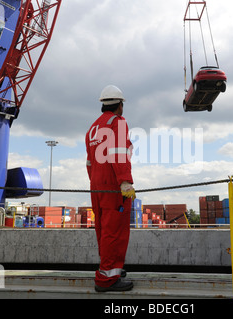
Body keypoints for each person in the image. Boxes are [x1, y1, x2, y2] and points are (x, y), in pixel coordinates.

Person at [85, 85, 136, 292]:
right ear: (120, 105)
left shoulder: (92, 129)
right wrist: (125, 182)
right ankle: (106, 279)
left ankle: (112, 269)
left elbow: (89, 163)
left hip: (96, 186)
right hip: (114, 185)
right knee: (114, 231)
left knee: (104, 230)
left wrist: (96, 183)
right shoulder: (118, 122)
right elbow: (118, 153)